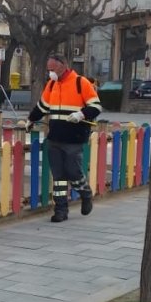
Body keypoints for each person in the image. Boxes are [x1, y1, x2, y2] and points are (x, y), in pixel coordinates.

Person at [26, 54, 102, 222]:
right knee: (58, 176)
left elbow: (96, 106)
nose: (50, 72)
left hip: (74, 137)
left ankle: (85, 193)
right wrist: (31, 119)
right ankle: (60, 210)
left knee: (73, 171)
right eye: (48, 69)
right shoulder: (52, 84)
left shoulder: (80, 82)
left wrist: (81, 114)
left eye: (52, 69)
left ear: (63, 66)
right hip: (55, 137)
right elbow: (42, 106)